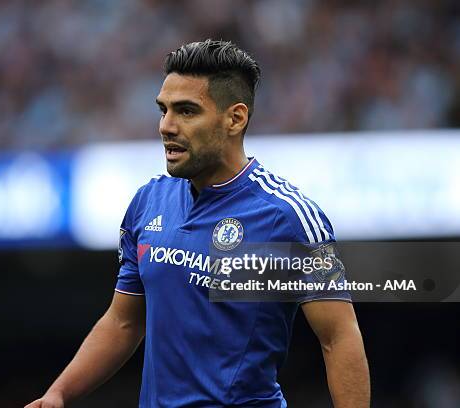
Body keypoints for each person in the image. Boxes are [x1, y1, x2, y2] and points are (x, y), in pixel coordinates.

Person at [25, 39, 370, 408]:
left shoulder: (287, 217)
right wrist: (59, 393)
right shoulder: (148, 202)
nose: (166, 126)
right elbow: (123, 322)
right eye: (164, 110)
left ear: (235, 118)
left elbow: (338, 337)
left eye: (186, 112)